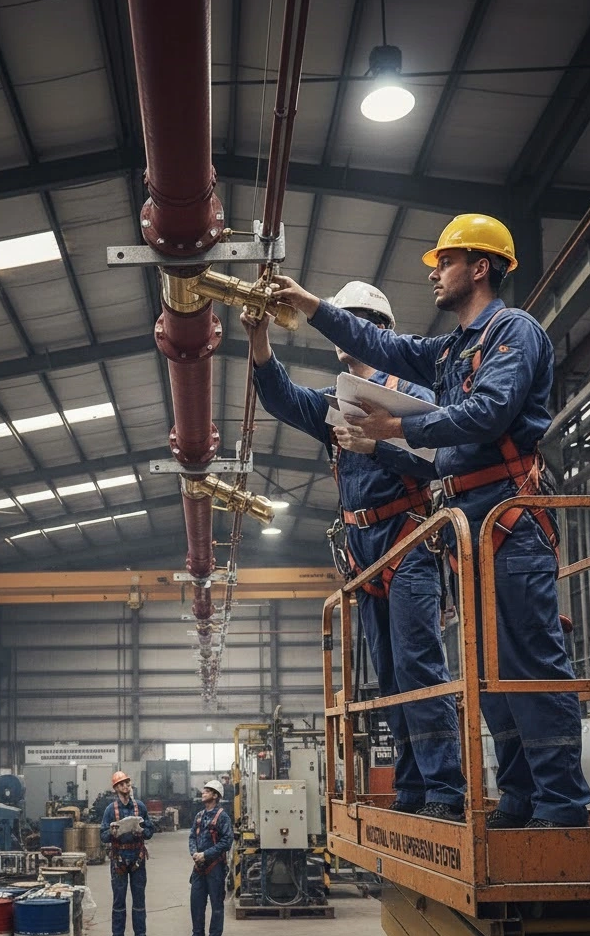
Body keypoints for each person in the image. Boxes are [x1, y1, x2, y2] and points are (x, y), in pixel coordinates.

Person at [270, 213, 590, 829]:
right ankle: (523, 796)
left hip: (510, 516)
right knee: (488, 669)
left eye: (445, 262)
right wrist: (312, 307)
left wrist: (398, 428)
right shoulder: (452, 350)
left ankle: (562, 804)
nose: (435, 274)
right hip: (469, 523)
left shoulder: (513, 332)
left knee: (532, 660)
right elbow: (385, 347)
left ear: (480, 267)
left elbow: (489, 412)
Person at [243, 281, 465, 820]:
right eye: (346, 317)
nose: (351, 327)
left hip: (408, 539)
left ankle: (445, 790)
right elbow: (281, 398)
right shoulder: (334, 405)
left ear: (381, 330)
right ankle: (412, 788)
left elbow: (440, 460)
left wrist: (379, 442)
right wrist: (259, 341)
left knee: (419, 665)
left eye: (361, 317)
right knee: (388, 673)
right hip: (363, 553)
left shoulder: (413, 397)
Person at [100, 771, 155, 936]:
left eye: (128, 783)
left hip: (137, 858)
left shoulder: (140, 807)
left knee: (139, 901)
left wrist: (142, 831)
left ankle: (140, 934)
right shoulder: (110, 810)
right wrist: (112, 833)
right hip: (119, 859)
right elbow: (102, 835)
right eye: (122, 784)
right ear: (116, 788)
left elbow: (151, 830)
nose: (126, 786)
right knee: (119, 902)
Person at [189, 779, 234, 936]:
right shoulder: (199, 816)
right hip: (198, 867)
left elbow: (227, 842)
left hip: (215, 867)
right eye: (204, 790)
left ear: (215, 796)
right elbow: (192, 837)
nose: (203, 792)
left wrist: (205, 854)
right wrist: (194, 853)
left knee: (217, 906)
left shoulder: (223, 817)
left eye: (207, 791)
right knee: (196, 905)